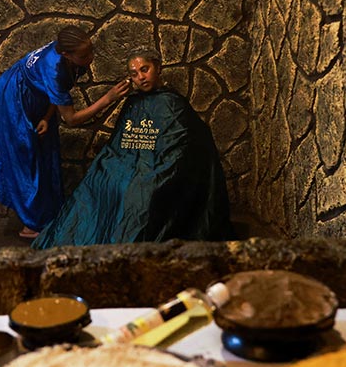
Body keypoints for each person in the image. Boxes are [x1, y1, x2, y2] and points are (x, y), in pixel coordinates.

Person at [32, 47, 235, 248]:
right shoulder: (133, 103)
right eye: (134, 74)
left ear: (158, 67)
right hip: (129, 163)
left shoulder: (173, 104)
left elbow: (182, 147)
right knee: (99, 181)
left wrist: (151, 168)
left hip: (160, 168)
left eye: (145, 69)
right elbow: (120, 143)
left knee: (138, 191)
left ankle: (125, 243)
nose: (141, 77)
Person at [0, 25, 130, 239]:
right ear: (66, 54)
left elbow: (54, 93)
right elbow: (71, 119)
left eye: (91, 51)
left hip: (36, 95)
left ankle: (48, 213)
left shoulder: (66, 59)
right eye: (84, 56)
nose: (90, 58)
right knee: (25, 154)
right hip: (14, 94)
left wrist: (47, 118)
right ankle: (31, 223)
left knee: (46, 148)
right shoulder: (55, 68)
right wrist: (108, 98)